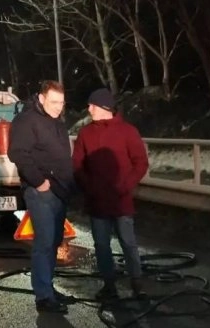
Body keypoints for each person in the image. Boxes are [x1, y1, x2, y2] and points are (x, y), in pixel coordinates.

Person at [72, 88, 150, 299]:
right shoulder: (86, 133)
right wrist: (90, 187)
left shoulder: (128, 132)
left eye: (92, 105)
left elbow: (140, 163)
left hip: (120, 200)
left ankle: (137, 283)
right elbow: (77, 164)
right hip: (97, 201)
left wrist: (125, 186)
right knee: (101, 245)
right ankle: (109, 285)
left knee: (128, 243)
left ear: (104, 107)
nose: (89, 109)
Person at [8, 80, 76, 314]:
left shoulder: (56, 122)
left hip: (59, 191)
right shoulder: (27, 121)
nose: (58, 107)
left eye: (61, 103)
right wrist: (39, 182)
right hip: (41, 192)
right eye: (54, 102)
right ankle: (44, 296)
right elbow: (17, 153)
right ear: (41, 98)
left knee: (53, 242)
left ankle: (48, 288)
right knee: (44, 243)